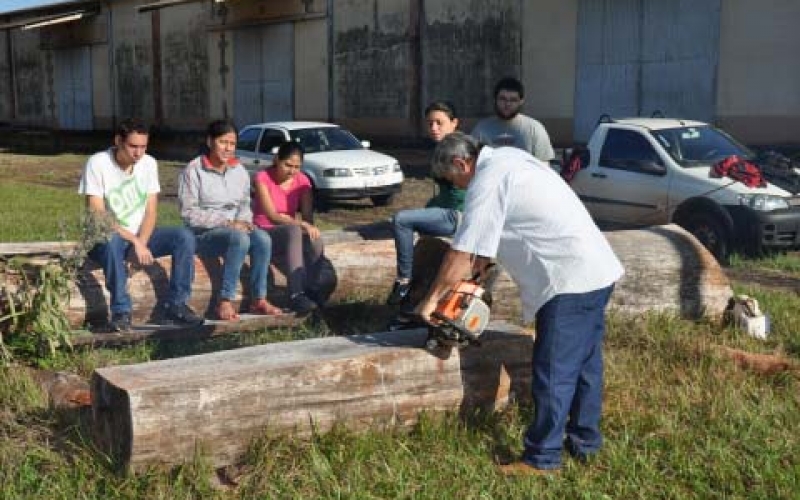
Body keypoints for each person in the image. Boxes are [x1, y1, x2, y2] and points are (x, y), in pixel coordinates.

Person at [416, 132, 623, 475]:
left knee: (554, 371)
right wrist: (478, 272)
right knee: (585, 365)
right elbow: (496, 235)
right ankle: (585, 444)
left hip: (567, 279)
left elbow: (460, 253)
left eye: (455, 180)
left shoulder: (487, 179)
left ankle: (542, 459)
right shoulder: (509, 159)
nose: (460, 188)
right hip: (595, 269)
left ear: (460, 163)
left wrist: (430, 303)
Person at [78, 118, 204, 332]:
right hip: (105, 237)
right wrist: (135, 241)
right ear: (118, 141)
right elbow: (99, 215)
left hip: (140, 237)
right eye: (133, 146)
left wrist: (142, 243)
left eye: (143, 147)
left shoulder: (149, 163)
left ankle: (177, 305)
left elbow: (151, 211)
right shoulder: (98, 163)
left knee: (183, 237)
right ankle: (121, 312)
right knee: (111, 242)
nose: (138, 153)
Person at [178, 120, 282, 320]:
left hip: (234, 229)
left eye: (232, 144)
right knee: (239, 239)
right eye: (222, 142)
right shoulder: (193, 170)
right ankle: (224, 300)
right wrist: (226, 223)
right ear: (210, 142)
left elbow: (244, 203)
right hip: (203, 234)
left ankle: (258, 298)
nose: (228, 148)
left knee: (262, 239)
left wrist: (244, 221)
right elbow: (188, 212)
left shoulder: (239, 170)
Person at [386, 101, 463, 305]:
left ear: (454, 123)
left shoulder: (458, 148)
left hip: (460, 216)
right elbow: (444, 193)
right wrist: (427, 211)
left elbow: (459, 194)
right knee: (403, 220)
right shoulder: (442, 148)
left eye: (440, 123)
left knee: (401, 220)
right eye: (430, 124)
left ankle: (403, 281)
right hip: (449, 211)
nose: (434, 128)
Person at [252, 141, 324, 314]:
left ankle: (312, 288)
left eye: (297, 167)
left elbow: (307, 216)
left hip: (291, 229)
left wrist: (308, 228)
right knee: (294, 230)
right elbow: (272, 215)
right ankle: (295, 294)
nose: (292, 171)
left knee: (316, 239)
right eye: (288, 165)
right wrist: (299, 224)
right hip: (265, 230)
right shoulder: (262, 178)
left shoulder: (302, 181)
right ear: (277, 159)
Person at [471, 76, 555, 162]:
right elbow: (472, 162)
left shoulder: (535, 129)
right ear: (495, 99)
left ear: (521, 101)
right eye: (503, 99)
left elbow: (544, 165)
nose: (507, 104)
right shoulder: (481, 130)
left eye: (513, 100)